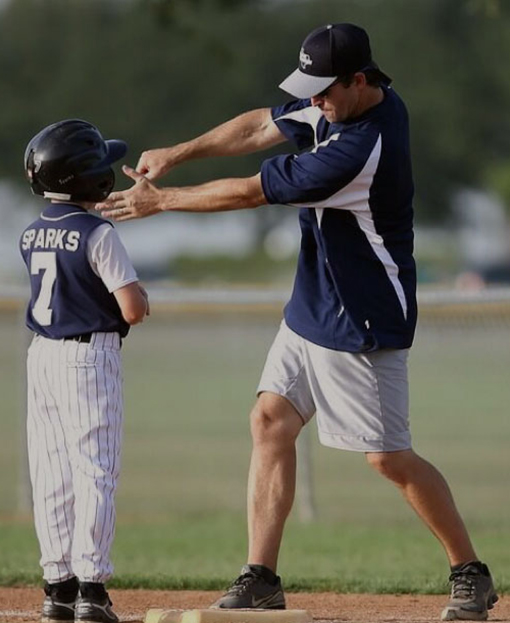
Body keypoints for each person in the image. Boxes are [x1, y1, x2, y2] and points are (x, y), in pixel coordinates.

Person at [96, 23, 497, 621]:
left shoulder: (358, 150)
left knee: (387, 457)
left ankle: (470, 572)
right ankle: (260, 577)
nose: (314, 102)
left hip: (363, 316)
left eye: (324, 89)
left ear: (360, 82)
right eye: (308, 89)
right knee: (269, 419)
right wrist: (178, 152)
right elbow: (262, 124)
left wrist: (163, 200)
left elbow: (250, 193)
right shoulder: (339, 106)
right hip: (313, 302)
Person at [20, 119, 149, 623]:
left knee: (51, 472)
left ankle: (58, 585)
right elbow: (132, 308)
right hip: (88, 358)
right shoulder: (98, 232)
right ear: (89, 180)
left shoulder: (32, 232)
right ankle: (92, 589)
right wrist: (140, 299)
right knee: (95, 469)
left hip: (43, 357)